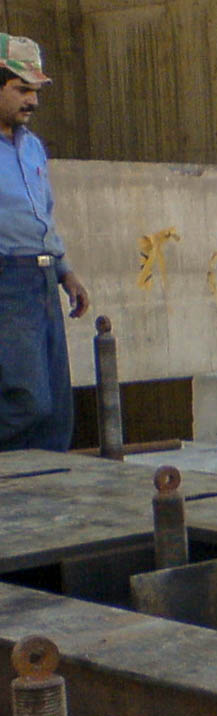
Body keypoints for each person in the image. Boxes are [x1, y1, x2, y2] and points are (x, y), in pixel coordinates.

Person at [0, 35, 88, 452]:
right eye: (21, 89)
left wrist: (65, 271)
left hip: (42, 277)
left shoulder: (32, 148)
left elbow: (44, 216)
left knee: (55, 412)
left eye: (35, 91)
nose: (32, 101)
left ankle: (47, 493)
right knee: (26, 401)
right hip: (6, 280)